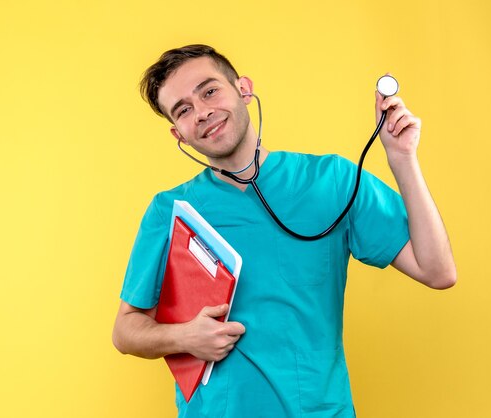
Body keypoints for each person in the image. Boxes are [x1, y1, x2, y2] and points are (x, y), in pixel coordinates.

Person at [112, 44, 456, 417]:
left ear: (243, 89)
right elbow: (126, 330)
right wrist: (183, 337)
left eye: (209, 91)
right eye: (183, 110)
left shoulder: (334, 182)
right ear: (178, 134)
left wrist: (402, 159)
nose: (203, 112)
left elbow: (437, 271)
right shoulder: (171, 211)